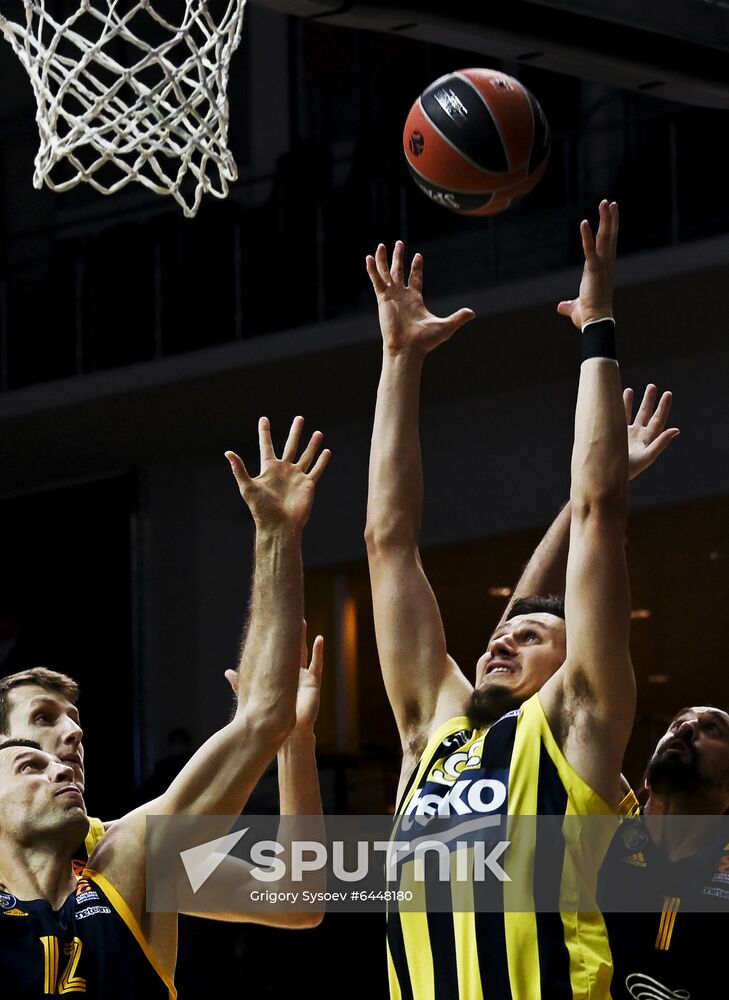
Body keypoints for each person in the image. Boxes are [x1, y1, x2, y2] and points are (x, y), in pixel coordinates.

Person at [365, 201, 635, 998]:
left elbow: (597, 511)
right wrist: (399, 358)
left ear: (572, 661)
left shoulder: (575, 725)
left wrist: (598, 327)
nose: (503, 639)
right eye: (503, 628)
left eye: (533, 633)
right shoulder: (430, 733)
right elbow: (388, 544)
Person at [0, 414, 330, 998]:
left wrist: (294, 741)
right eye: (42, 723)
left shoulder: (127, 855)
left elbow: (299, 899)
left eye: (76, 723)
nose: (72, 739)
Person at [598, 705, 729, 999]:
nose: (684, 728)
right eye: (676, 724)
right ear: (647, 779)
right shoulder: (605, 826)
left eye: (712, 729)